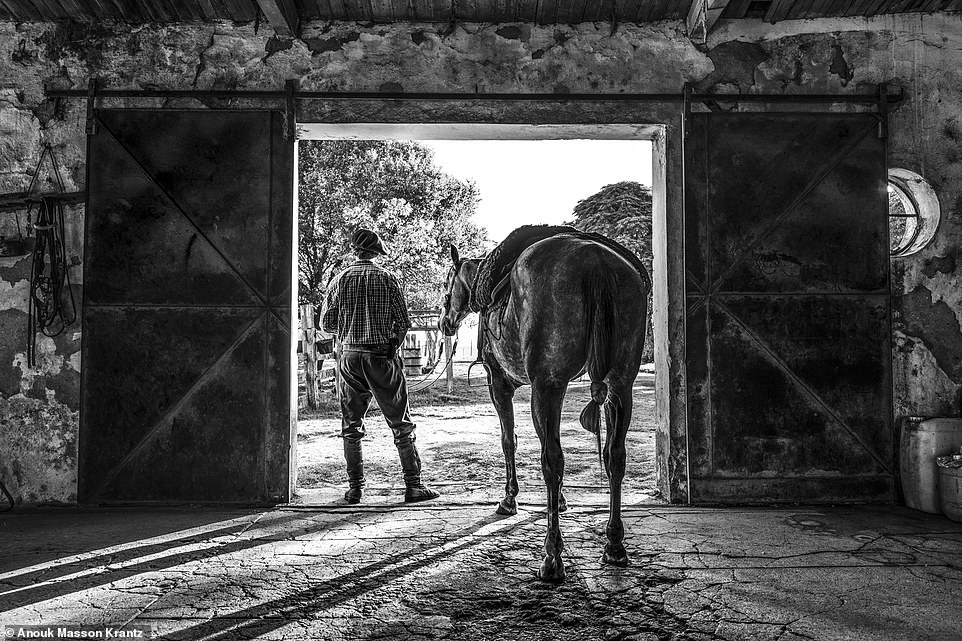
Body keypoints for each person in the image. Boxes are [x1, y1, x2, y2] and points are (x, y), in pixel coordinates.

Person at [320, 228, 441, 505]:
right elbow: (403, 322)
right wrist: (391, 346)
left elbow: (326, 324)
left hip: (349, 357)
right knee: (401, 423)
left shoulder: (339, 280)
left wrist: (350, 330)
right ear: (377, 252)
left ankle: (355, 490)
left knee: (351, 425)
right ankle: (413, 486)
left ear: (355, 251)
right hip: (380, 356)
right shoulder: (388, 278)